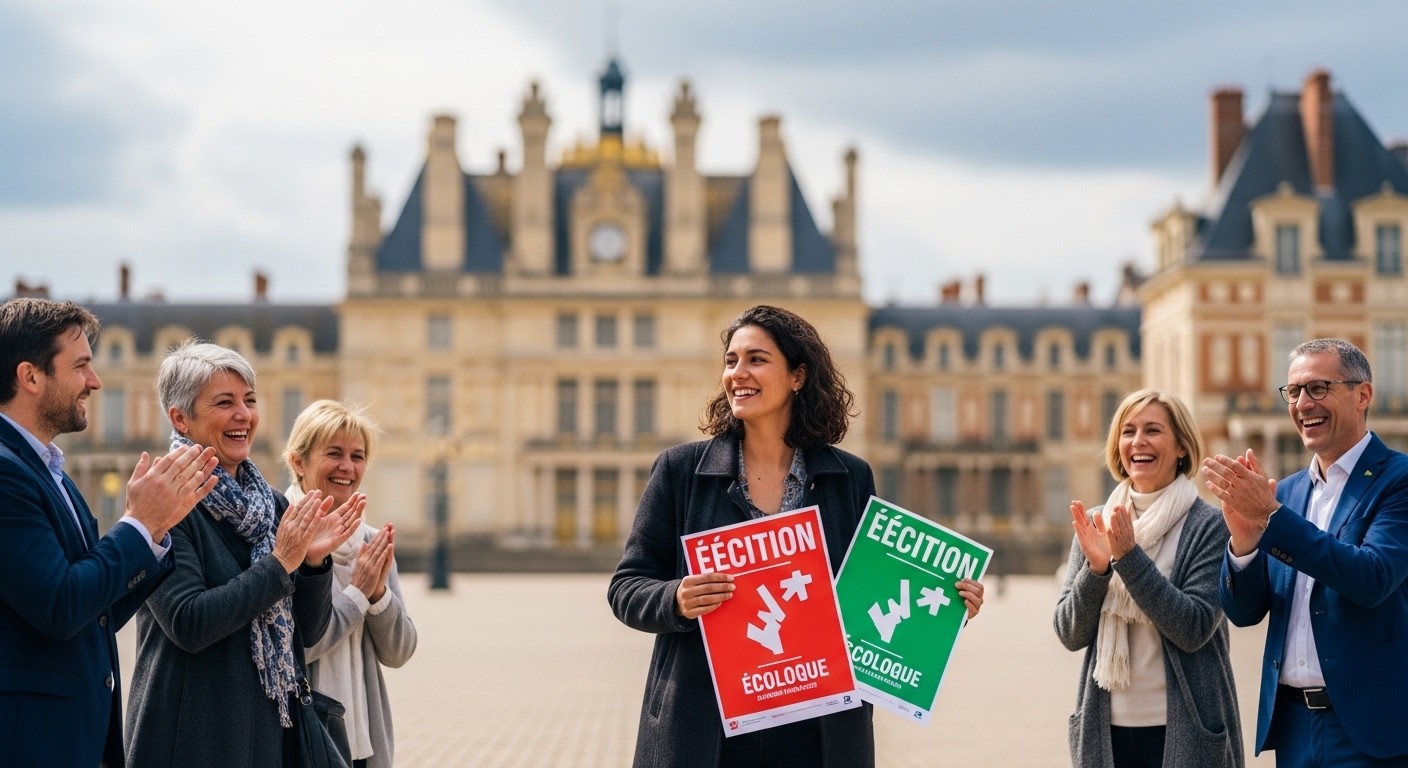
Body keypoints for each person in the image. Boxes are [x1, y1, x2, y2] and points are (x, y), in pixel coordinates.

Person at [608, 304, 984, 768]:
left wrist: (946, 607)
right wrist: (676, 598)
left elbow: (872, 600)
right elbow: (627, 587)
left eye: (756, 359)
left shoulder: (848, 477)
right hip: (706, 729)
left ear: (798, 376)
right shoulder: (680, 471)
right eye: (731, 361)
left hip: (817, 732)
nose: (737, 373)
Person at [126, 340, 366, 768]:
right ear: (180, 418)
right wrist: (280, 564)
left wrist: (311, 564)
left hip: (267, 737)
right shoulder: (164, 501)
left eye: (250, 401)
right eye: (225, 402)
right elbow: (189, 622)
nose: (244, 414)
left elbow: (304, 637)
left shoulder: (273, 505)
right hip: (191, 738)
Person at [0, 298, 218, 768]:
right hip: (32, 743)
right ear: (30, 377)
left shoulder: (48, 472)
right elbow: (61, 605)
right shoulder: (5, 474)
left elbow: (93, 612)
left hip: (71, 738)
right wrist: (138, 525)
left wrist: (156, 530)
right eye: (80, 366)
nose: (95, 382)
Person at [1207, 338, 1408, 766]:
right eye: (1293, 391)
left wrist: (1272, 516)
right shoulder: (1289, 492)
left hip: (1368, 732)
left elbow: (1371, 579)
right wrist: (1243, 543)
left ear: (1363, 395)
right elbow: (1244, 613)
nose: (1302, 404)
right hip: (1293, 726)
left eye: (1318, 388)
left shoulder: (1398, 480)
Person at [1054, 389, 1243, 767]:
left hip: (1187, 730)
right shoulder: (1095, 522)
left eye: (1153, 430)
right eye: (1128, 431)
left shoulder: (1209, 526)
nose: (1138, 441)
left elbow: (1194, 627)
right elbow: (1069, 633)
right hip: (1105, 729)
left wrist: (1127, 557)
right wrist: (1096, 571)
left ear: (1181, 449)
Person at [283, 399, 418, 768]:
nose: (348, 467)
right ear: (298, 462)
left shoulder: (370, 542)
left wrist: (377, 593)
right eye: (334, 453)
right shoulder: (279, 538)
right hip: (302, 737)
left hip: (363, 745)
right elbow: (293, 650)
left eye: (358, 456)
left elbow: (399, 652)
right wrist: (358, 594)